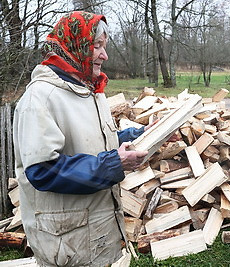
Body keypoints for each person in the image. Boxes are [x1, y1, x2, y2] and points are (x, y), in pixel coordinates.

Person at [13, 11, 150, 266]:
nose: (104, 55)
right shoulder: (40, 99)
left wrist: (139, 136)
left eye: (104, 47)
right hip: (67, 243)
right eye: (96, 46)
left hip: (96, 233)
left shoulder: (89, 90)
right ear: (73, 45)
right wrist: (112, 165)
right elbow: (43, 170)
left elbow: (92, 142)